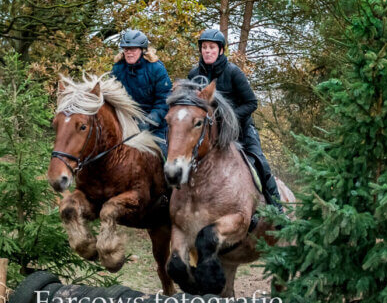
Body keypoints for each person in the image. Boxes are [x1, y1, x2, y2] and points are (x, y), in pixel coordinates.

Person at [188, 29, 283, 211]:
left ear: (221, 50)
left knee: (261, 163)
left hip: (240, 130)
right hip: (207, 133)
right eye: (204, 47)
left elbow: (251, 103)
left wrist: (227, 118)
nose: (207, 51)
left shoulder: (233, 72)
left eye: (212, 48)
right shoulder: (194, 75)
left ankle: (277, 211)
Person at [111, 29, 172, 156]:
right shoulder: (117, 69)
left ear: (142, 50)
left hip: (154, 126)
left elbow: (164, 100)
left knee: (163, 156)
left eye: (133, 49)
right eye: (126, 49)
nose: (129, 52)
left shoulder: (157, 69)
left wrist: (149, 122)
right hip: (126, 123)